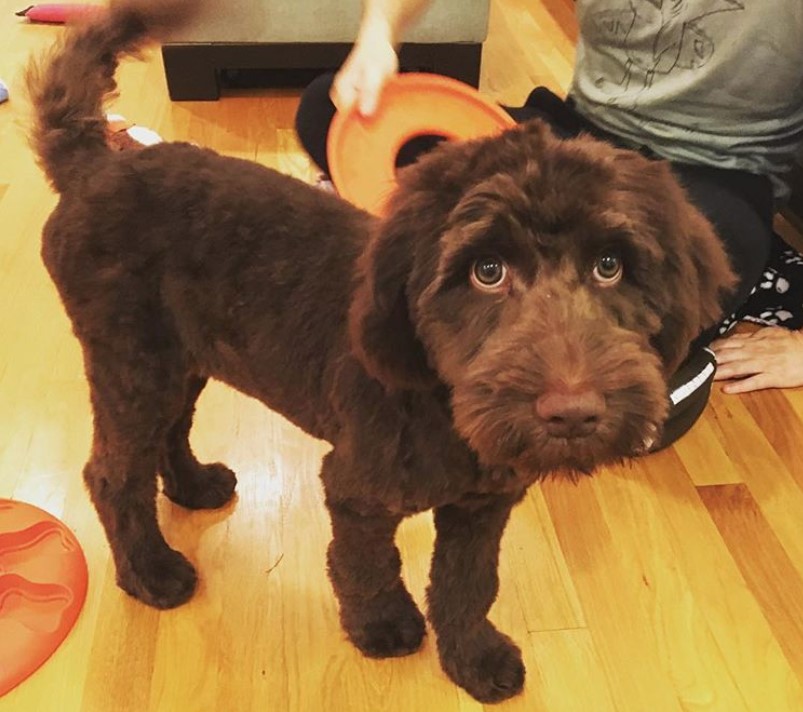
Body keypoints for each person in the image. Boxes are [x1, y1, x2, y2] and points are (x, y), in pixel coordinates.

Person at [294, 1, 803, 413]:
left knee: (693, 274)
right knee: (329, 108)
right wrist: (379, 33)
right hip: (580, 140)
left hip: (719, 170)